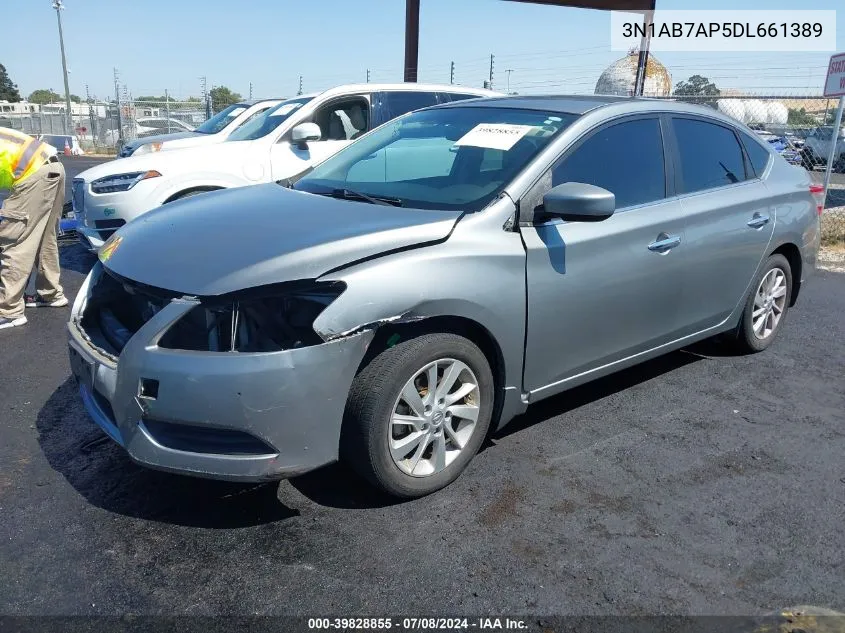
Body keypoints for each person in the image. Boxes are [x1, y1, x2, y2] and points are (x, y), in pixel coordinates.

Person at [0, 128, 68, 330]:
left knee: (16, 240)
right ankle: (50, 294)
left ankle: (9, 311)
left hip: (33, 175)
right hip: (53, 167)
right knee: (45, 238)